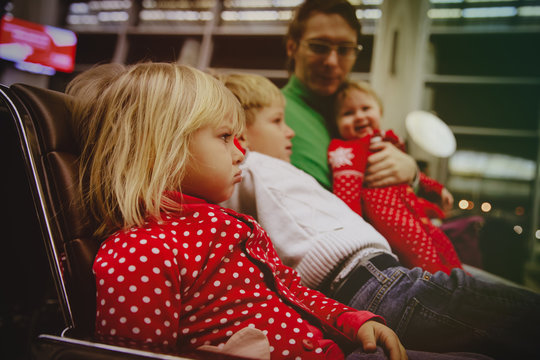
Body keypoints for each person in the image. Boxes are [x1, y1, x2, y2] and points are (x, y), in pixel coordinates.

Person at [73, 61, 473, 360]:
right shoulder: (141, 250)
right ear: (162, 148)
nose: (242, 151)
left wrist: (353, 320)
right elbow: (132, 355)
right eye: (227, 137)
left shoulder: (230, 224)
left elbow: (293, 290)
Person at [218, 71, 540, 359]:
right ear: (240, 134)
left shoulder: (264, 172)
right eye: (277, 122)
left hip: (373, 280)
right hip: (371, 280)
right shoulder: (247, 166)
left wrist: (413, 176)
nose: (290, 133)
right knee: (515, 316)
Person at [327, 80, 462, 275]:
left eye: (366, 108)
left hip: (414, 214)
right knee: (424, 260)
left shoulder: (386, 142)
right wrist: (355, 232)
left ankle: (461, 283)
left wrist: (436, 188)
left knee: (443, 245)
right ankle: (444, 292)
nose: (359, 116)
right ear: (336, 123)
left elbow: (410, 175)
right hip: (393, 221)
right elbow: (346, 194)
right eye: (348, 113)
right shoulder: (348, 150)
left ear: (379, 112)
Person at [282, 0, 418, 191]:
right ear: (292, 48)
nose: (331, 61)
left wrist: (412, 173)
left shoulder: (354, 110)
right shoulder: (276, 114)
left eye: (345, 49)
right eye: (319, 47)